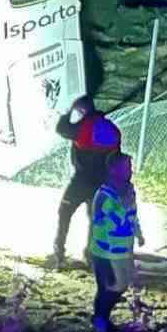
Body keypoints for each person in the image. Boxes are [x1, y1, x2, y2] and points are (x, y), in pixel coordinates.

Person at [51, 96, 122, 269]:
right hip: (102, 182)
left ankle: (59, 250)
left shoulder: (83, 128)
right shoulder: (112, 129)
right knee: (95, 220)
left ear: (82, 111)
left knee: (65, 212)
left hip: (81, 181)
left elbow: (61, 128)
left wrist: (67, 111)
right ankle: (91, 255)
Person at [88, 153, 144, 332]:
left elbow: (132, 215)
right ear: (113, 170)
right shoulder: (103, 195)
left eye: (130, 167)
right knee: (110, 287)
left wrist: (138, 232)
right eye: (125, 167)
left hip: (122, 250)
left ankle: (101, 319)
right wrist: (125, 204)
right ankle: (100, 322)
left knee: (118, 286)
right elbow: (110, 223)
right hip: (105, 251)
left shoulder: (128, 189)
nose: (130, 171)